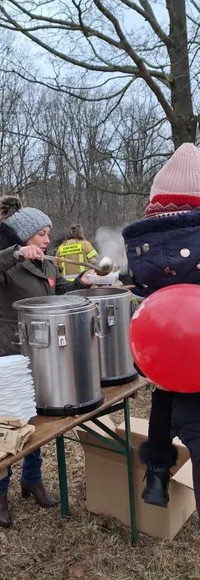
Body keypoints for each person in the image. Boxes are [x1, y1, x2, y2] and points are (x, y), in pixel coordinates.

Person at [0, 196, 94, 528]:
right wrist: (14, 254)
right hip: (10, 352)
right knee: (9, 423)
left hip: (41, 351)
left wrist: (80, 284)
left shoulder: (49, 263)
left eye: (48, 232)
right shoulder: (8, 265)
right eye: (42, 233)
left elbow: (57, 293)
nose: (47, 238)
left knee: (37, 418)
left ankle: (32, 479)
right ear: (26, 237)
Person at [122, 143, 200, 515]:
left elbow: (147, 354)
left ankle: (156, 472)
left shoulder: (148, 261)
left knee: (163, 393)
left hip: (172, 379)